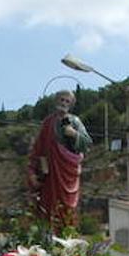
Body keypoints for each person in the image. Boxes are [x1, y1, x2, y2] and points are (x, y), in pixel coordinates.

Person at [28, 89, 92, 229]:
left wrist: (74, 134)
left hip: (68, 171)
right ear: (56, 101)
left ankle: (67, 238)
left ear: (71, 104)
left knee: (68, 209)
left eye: (67, 101)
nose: (63, 103)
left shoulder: (75, 121)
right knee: (48, 208)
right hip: (50, 173)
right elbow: (37, 149)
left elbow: (87, 142)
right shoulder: (48, 122)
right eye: (61, 99)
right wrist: (32, 171)